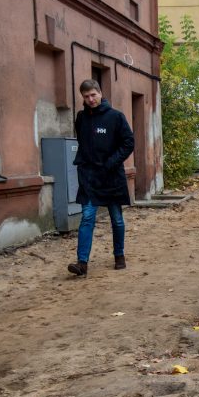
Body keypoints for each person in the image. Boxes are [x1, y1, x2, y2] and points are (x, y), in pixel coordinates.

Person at [67, 79, 135, 277]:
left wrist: (110, 163)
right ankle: (82, 263)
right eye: (86, 97)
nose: (90, 99)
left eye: (93, 95)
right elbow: (84, 142)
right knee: (87, 217)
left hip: (111, 176)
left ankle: (119, 255)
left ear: (100, 93)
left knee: (117, 219)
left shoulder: (116, 117)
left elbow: (128, 143)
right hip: (89, 177)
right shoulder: (81, 118)